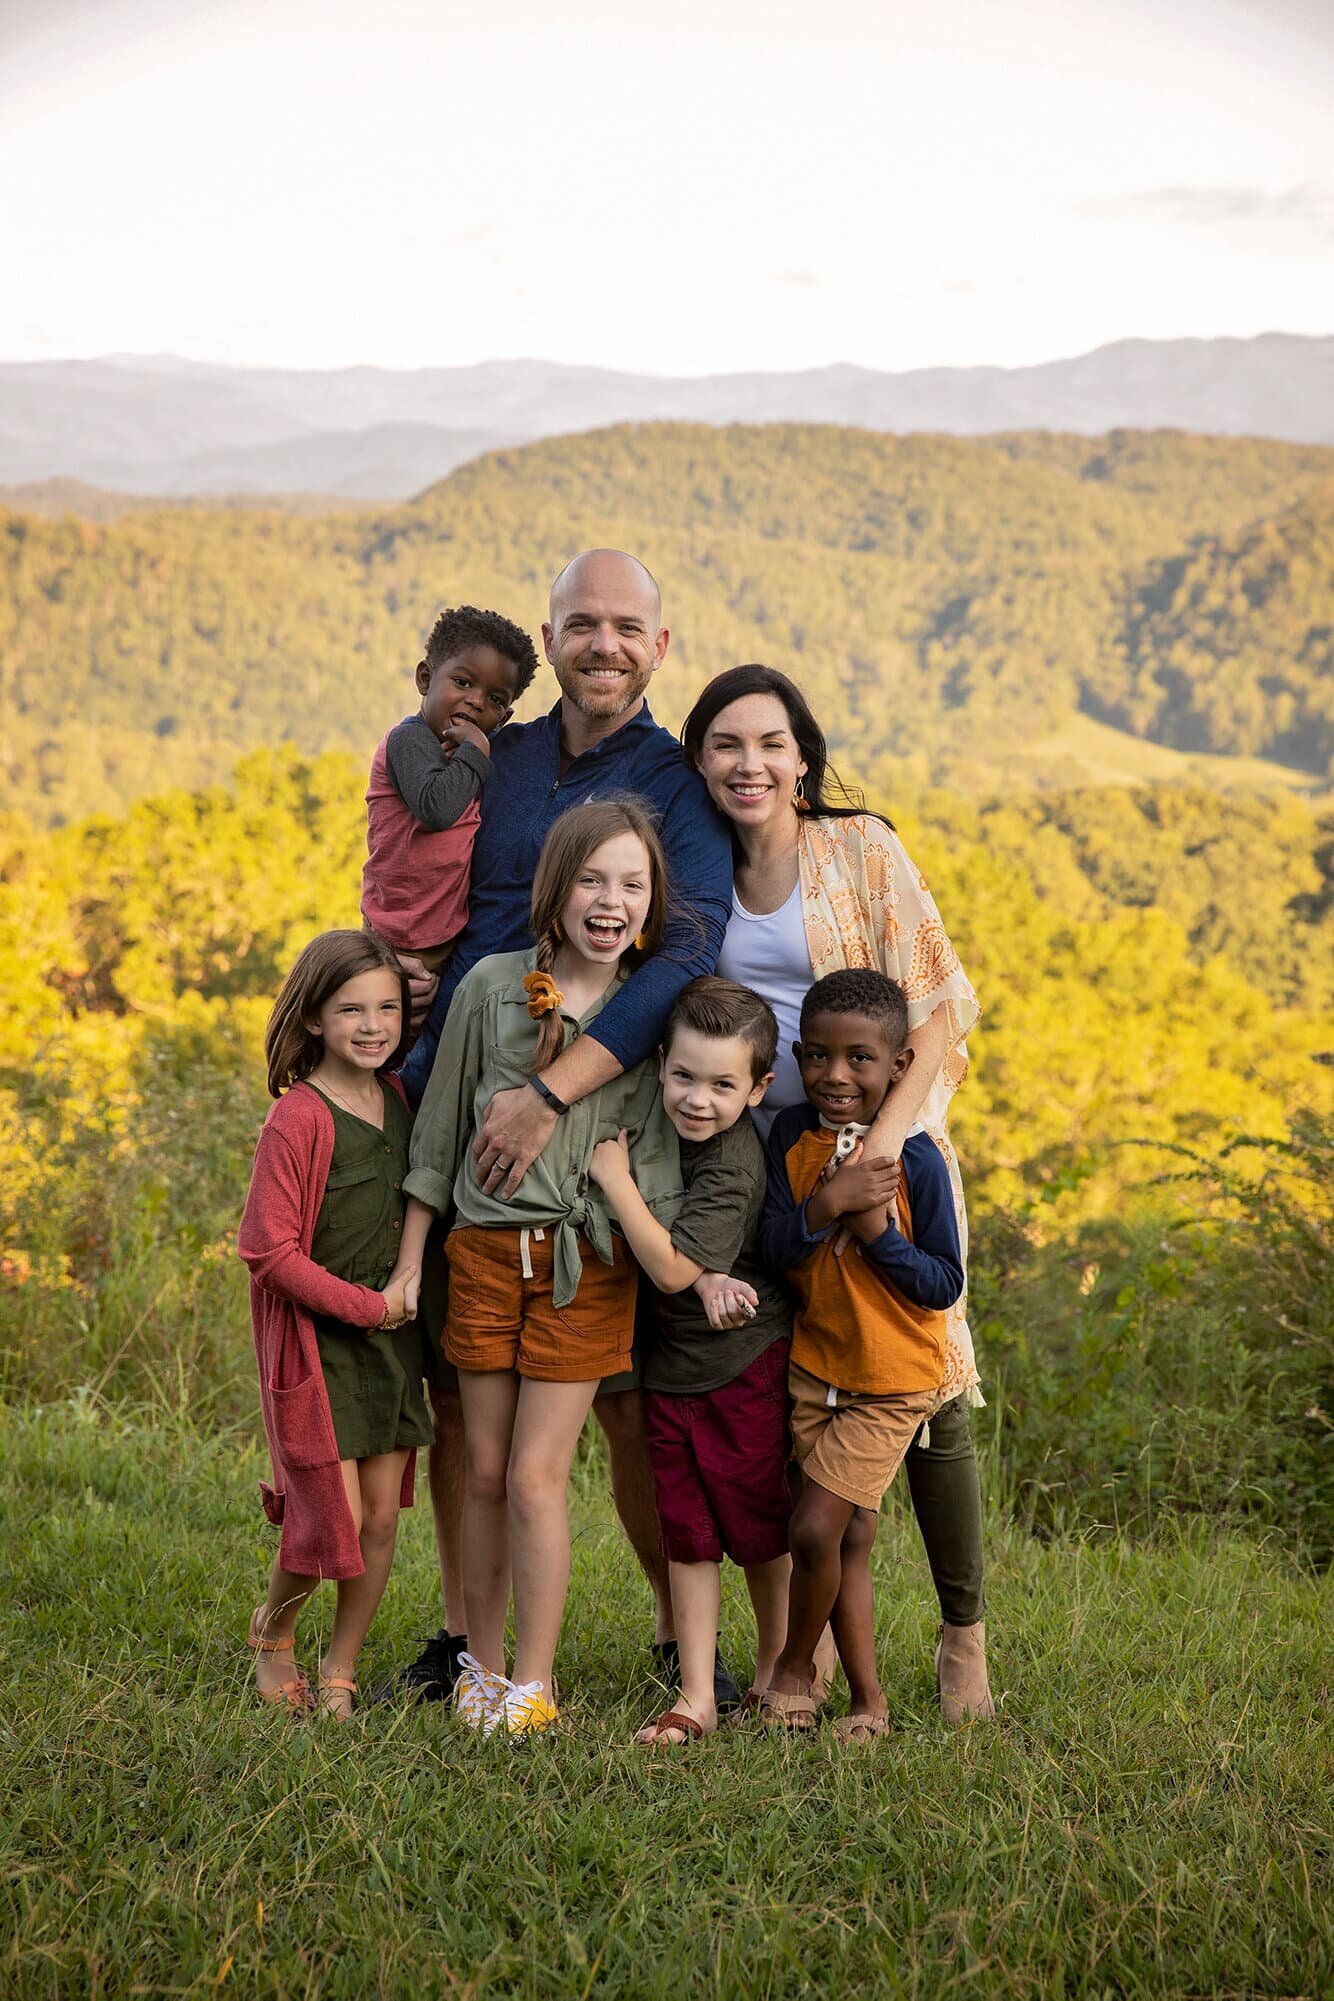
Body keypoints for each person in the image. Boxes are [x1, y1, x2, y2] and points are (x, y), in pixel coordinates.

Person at [390, 550, 734, 1708]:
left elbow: (680, 950)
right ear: (550, 636)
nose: (602, 644)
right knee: (456, 1389)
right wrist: (401, 967)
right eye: (580, 625)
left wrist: (549, 1097)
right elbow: (426, 861)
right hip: (448, 1065)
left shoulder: (675, 786)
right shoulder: (509, 753)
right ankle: (460, 1640)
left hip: (585, 1098)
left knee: (618, 1402)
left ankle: (668, 1637)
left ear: (658, 645)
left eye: (625, 626)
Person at [681, 664, 994, 1722]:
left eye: (769, 743)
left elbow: (941, 1002)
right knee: (790, 1386)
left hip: (881, 1141)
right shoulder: (690, 868)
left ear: (802, 757)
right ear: (698, 762)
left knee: (925, 1384)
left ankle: (962, 1638)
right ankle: (784, 1653)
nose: (748, 764)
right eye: (725, 745)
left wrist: (881, 1144)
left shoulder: (859, 850)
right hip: (761, 1165)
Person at [396, 800, 687, 1737]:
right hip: (481, 1258)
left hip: (583, 1267)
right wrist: (410, 1264)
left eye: (632, 885)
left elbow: (657, 1166)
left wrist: (608, 1207)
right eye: (593, 880)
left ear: (652, 904)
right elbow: (437, 1139)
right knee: (479, 1468)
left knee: (533, 1474)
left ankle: (532, 1681)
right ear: (555, 889)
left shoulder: (646, 1014)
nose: (610, 902)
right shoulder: (489, 986)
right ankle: (478, 1665)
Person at [588, 976, 798, 1745]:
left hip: (740, 1360)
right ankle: (698, 1695)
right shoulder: (649, 1114)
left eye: (722, 1083)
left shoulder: (735, 1160)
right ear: (659, 1065)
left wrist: (613, 1181)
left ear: (759, 1087)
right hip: (670, 1364)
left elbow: (674, 1267)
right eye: (683, 1075)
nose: (697, 1099)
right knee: (688, 1531)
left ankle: (780, 1663)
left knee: (756, 1520)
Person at [758, 970, 964, 1739]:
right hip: (817, 1368)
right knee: (848, 1540)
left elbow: (942, 1283)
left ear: (897, 1067)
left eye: (858, 1059)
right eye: (816, 1056)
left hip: (891, 1378)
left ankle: (790, 1670)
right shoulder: (790, 1138)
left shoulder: (917, 1160)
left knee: (813, 1530)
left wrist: (879, 1236)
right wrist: (829, 1204)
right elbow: (776, 1243)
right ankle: (867, 1703)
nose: (834, 1075)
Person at [236, 931, 427, 1720]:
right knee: (332, 1519)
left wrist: (400, 1301)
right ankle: (273, 1635)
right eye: (352, 1008)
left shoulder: (399, 1099)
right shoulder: (299, 1118)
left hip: (392, 1346)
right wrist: (369, 1306)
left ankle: (341, 1665)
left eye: (387, 1006)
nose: (373, 1023)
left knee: (380, 1516)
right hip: (321, 1347)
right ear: (314, 1016)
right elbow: (267, 1251)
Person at [360, 603, 539, 973]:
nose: (476, 701)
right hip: (398, 937)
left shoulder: (468, 755)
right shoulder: (409, 740)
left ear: (503, 719)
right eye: (463, 682)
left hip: (444, 933)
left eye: (495, 699)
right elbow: (437, 808)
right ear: (426, 678)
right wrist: (476, 751)